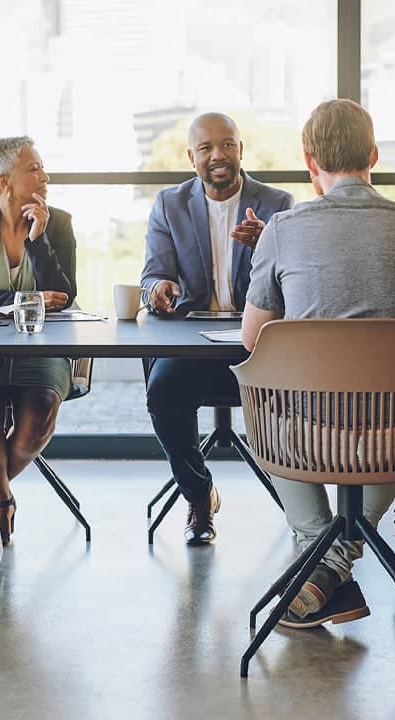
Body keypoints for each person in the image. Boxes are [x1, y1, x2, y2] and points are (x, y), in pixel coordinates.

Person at [241, 98, 395, 628]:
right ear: (373, 154)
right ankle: (333, 563)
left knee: (260, 383)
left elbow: (253, 338)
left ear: (308, 161)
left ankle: (317, 550)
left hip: (303, 437)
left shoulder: (282, 230)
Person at [141, 112, 293, 545]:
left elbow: (298, 280)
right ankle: (199, 494)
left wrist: (269, 243)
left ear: (241, 149)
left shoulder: (277, 205)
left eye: (227, 145)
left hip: (259, 342)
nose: (218, 156)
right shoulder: (169, 204)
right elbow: (152, 275)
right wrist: (159, 289)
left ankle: (301, 503)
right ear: (192, 157)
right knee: (162, 390)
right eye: (206, 148)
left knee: (298, 390)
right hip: (194, 342)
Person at [0, 136, 76, 545]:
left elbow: (64, 295)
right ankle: (0, 498)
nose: (46, 176)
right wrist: (26, 299)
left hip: (42, 350)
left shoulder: (59, 222)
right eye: (35, 168)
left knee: (38, 417)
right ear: (4, 181)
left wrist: (39, 241)